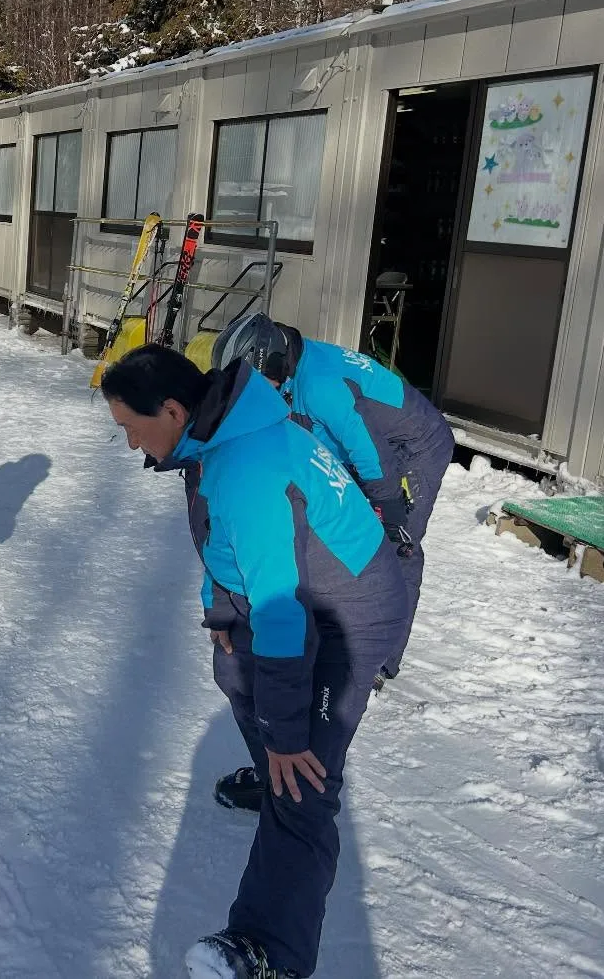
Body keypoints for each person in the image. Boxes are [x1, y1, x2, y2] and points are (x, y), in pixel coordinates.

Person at [100, 345, 409, 979]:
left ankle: (268, 950)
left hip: (350, 615)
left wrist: (290, 735)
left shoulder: (244, 464)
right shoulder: (217, 436)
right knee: (235, 672)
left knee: (305, 782)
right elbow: (218, 540)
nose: (131, 444)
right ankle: (277, 764)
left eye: (132, 428)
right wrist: (219, 610)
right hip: (305, 596)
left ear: (173, 409)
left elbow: (281, 613)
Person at [212, 312, 454, 691]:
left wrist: (388, 506)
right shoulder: (289, 372)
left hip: (413, 444)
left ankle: (380, 657)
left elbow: (371, 453)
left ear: (274, 363)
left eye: (258, 385)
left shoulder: (320, 384)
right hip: (367, 445)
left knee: (396, 546)